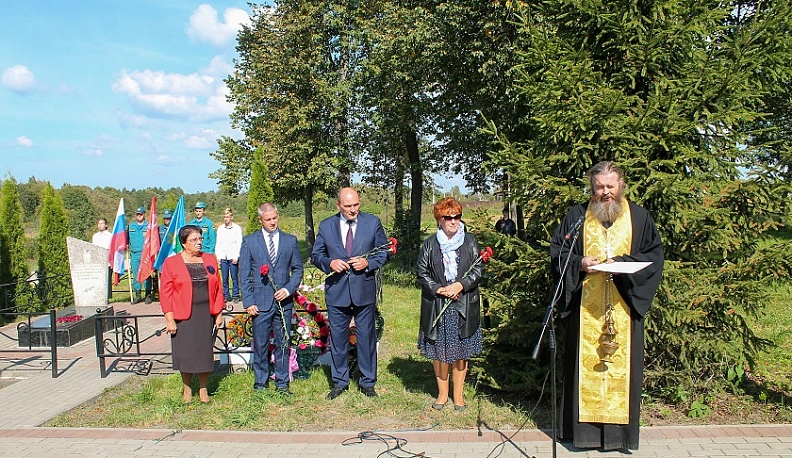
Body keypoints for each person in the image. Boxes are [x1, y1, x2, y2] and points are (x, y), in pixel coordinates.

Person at [550, 161, 664, 451]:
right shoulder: (577, 217)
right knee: (583, 366)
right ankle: (583, 436)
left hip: (624, 305)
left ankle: (618, 437)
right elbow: (557, 252)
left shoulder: (638, 216)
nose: (605, 193)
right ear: (592, 187)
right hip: (585, 309)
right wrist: (579, 263)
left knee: (620, 369)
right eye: (599, 187)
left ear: (621, 184)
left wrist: (623, 264)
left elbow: (654, 257)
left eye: (610, 186)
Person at [311, 187, 390, 400]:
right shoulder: (326, 226)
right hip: (337, 291)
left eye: (356, 205)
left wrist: (368, 263)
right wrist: (330, 263)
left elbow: (384, 252)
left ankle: (367, 382)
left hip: (363, 289)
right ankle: (340, 382)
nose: (352, 210)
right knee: (338, 338)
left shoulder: (372, 223)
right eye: (348, 206)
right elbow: (316, 255)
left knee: (366, 337)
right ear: (338, 206)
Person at [416, 197, 484, 411]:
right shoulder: (430, 243)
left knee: (461, 352)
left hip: (463, 304)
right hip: (438, 304)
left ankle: (459, 395)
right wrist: (438, 288)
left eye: (457, 217)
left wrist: (461, 285)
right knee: (440, 352)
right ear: (440, 219)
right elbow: (421, 272)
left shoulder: (470, 241)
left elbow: (478, 269)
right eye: (448, 217)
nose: (454, 221)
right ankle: (442, 394)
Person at [239, 203, 304, 394]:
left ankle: (282, 382)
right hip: (261, 302)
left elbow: (298, 269)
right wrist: (249, 301)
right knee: (260, 343)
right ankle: (261, 383)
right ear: (260, 220)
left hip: (283, 302)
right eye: (268, 219)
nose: (273, 222)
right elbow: (244, 274)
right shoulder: (250, 242)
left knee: (283, 342)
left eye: (275, 218)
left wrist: (289, 288)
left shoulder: (290, 241)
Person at [160, 225, 225, 403]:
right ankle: (187, 391)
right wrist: (169, 319)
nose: (199, 243)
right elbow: (165, 293)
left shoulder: (210, 259)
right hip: (183, 315)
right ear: (183, 243)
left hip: (205, 314)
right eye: (194, 240)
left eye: (200, 239)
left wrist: (218, 312)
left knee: (204, 353)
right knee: (186, 354)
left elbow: (218, 288)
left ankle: (204, 391)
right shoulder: (171, 263)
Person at [216, 208, 243, 303]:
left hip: (233, 256)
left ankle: (236, 295)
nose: (225, 219)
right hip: (224, 256)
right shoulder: (220, 229)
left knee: (234, 276)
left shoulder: (237, 228)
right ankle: (226, 295)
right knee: (225, 277)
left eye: (227, 217)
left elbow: (239, 243)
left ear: (231, 217)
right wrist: (218, 256)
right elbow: (218, 243)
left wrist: (236, 256)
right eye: (224, 217)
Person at [127, 206, 152, 304]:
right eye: (137, 214)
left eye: (141, 214)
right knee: (136, 275)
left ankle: (148, 295)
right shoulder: (131, 226)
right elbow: (126, 240)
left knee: (146, 274)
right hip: (134, 254)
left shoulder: (148, 226)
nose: (139, 216)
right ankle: (137, 295)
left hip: (145, 254)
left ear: (144, 214)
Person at [92, 218, 113, 299]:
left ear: (106, 225)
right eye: (99, 223)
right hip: (98, 262)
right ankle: (98, 297)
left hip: (106, 261)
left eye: (102, 223)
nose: (100, 225)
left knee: (107, 281)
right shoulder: (95, 236)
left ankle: (107, 298)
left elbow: (110, 249)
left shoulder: (109, 236)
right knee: (98, 281)